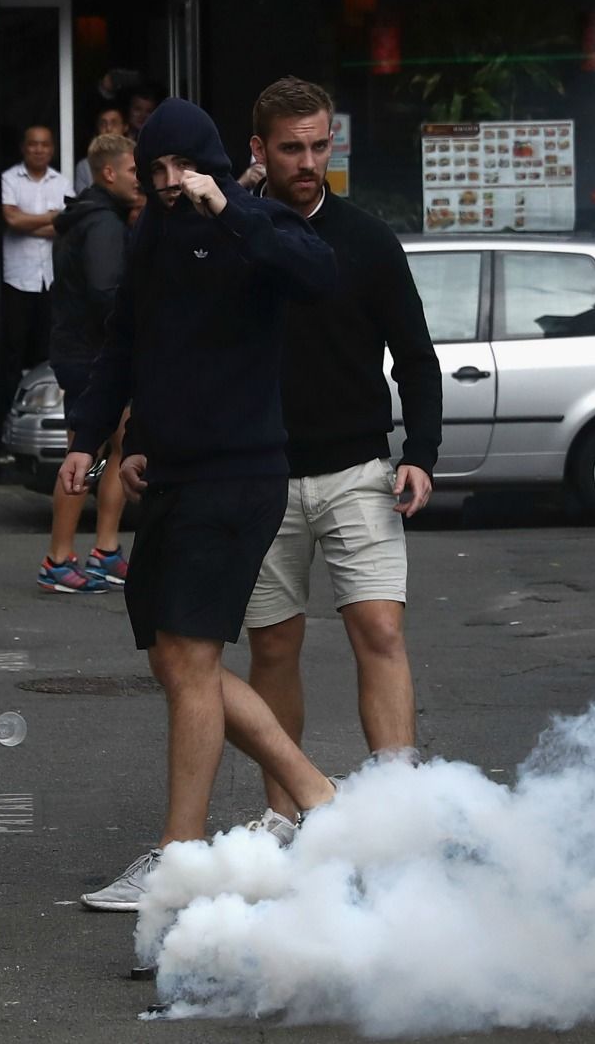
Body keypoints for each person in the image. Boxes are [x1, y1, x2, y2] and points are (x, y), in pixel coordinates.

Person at [58, 97, 340, 912]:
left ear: (212, 163)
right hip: (173, 475)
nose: (173, 182)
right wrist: (92, 439)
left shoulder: (250, 222)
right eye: (159, 171)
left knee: (190, 661)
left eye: (184, 167)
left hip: (238, 476)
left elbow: (317, 273)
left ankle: (181, 862)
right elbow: (130, 345)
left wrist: (233, 209)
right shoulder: (152, 238)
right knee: (178, 661)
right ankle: (315, 795)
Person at [239, 77, 442, 842]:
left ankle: (397, 812)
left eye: (320, 145)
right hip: (260, 473)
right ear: (260, 149)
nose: (308, 160)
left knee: (381, 632)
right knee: (273, 646)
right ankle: (284, 813)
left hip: (360, 469)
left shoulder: (366, 238)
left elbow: (417, 357)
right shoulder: (237, 234)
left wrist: (419, 454)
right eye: (291, 147)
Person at [41, 133, 142, 594]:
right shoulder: (102, 223)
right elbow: (106, 292)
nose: (141, 181)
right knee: (87, 455)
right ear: (108, 173)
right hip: (90, 358)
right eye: (134, 172)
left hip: (87, 353)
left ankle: (105, 550)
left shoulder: (93, 216)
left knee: (117, 447)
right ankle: (58, 559)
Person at [0, 125, 69, 379]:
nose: (39, 149)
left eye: (45, 144)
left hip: (49, 279)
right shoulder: (8, 179)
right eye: (33, 144)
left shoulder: (62, 182)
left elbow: (67, 227)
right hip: (17, 278)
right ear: (23, 148)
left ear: (52, 149)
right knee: (13, 349)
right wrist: (51, 217)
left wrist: (27, 222)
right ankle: (9, 409)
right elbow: (12, 221)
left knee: (45, 350)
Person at [72, 103, 129, 194]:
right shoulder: (85, 166)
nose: (108, 129)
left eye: (114, 123)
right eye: (103, 124)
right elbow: (83, 202)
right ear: (97, 129)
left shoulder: (135, 161)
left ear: (125, 127)